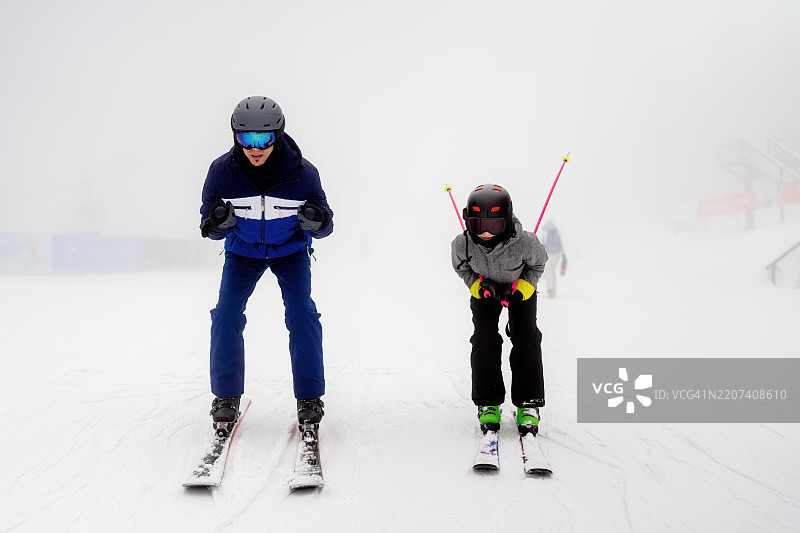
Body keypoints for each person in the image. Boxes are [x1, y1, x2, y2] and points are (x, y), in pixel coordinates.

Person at [199, 95, 333, 437]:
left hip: (290, 253)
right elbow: (207, 227)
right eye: (246, 139)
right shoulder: (221, 172)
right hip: (243, 253)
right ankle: (226, 395)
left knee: (301, 313)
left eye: (264, 139)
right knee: (226, 312)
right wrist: (218, 223)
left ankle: (309, 399)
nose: (255, 148)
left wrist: (315, 221)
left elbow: (327, 223)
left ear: (278, 134)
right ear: (235, 137)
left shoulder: (303, 174)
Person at [451, 184, 548, 436]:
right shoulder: (462, 245)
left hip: (519, 292)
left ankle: (528, 404)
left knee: (526, 338)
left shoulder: (526, 243)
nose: (484, 233)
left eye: (493, 226)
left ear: (506, 221)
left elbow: (538, 265)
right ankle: (488, 402)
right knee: (485, 340)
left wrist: (524, 287)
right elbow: (462, 268)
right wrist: (477, 285)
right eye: (477, 224)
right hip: (486, 293)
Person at [541, 221, 565, 298]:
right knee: (552, 272)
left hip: (549, 254)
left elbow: (544, 245)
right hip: (556, 255)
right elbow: (560, 245)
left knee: (549, 272)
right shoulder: (557, 234)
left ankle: (550, 290)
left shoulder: (546, 234)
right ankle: (553, 290)